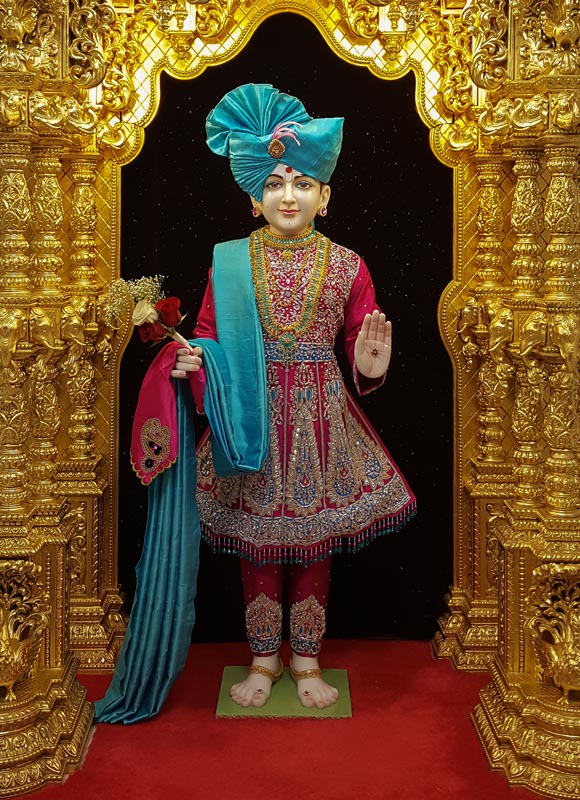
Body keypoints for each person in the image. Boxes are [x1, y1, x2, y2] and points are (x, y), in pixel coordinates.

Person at [171, 84, 416, 711]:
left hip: (321, 418)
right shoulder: (230, 262)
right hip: (250, 415)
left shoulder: (349, 265)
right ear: (254, 198)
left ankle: (305, 658)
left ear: (324, 198)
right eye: (276, 183)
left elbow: (362, 339)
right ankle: (263, 658)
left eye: (303, 183)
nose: (288, 195)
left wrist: (368, 364)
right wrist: (199, 365)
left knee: (312, 540)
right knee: (257, 539)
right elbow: (209, 334)